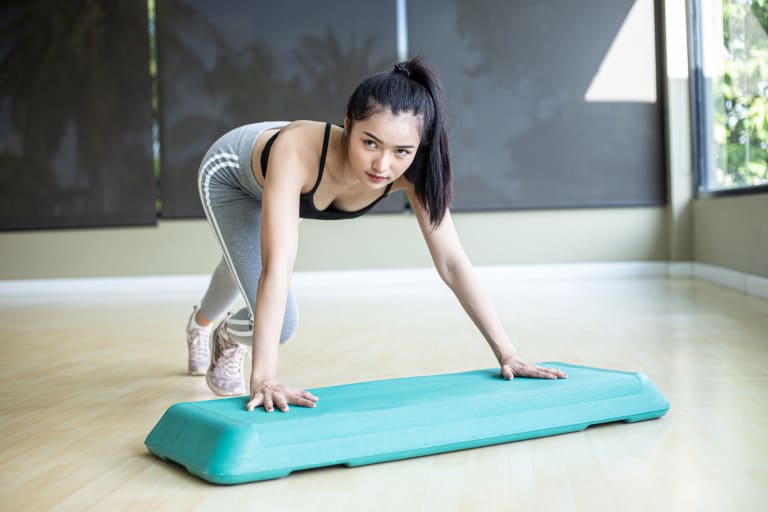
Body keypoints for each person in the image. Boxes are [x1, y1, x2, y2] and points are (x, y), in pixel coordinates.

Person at [185, 56, 567, 413]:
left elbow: (452, 263)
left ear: (419, 147)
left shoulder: (412, 172)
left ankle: (208, 328)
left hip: (284, 189)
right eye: (370, 142)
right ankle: (217, 331)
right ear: (347, 124)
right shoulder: (296, 153)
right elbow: (277, 267)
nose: (383, 165)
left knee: (241, 257)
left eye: (402, 151)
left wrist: (508, 353)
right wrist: (264, 378)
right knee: (279, 314)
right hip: (232, 176)